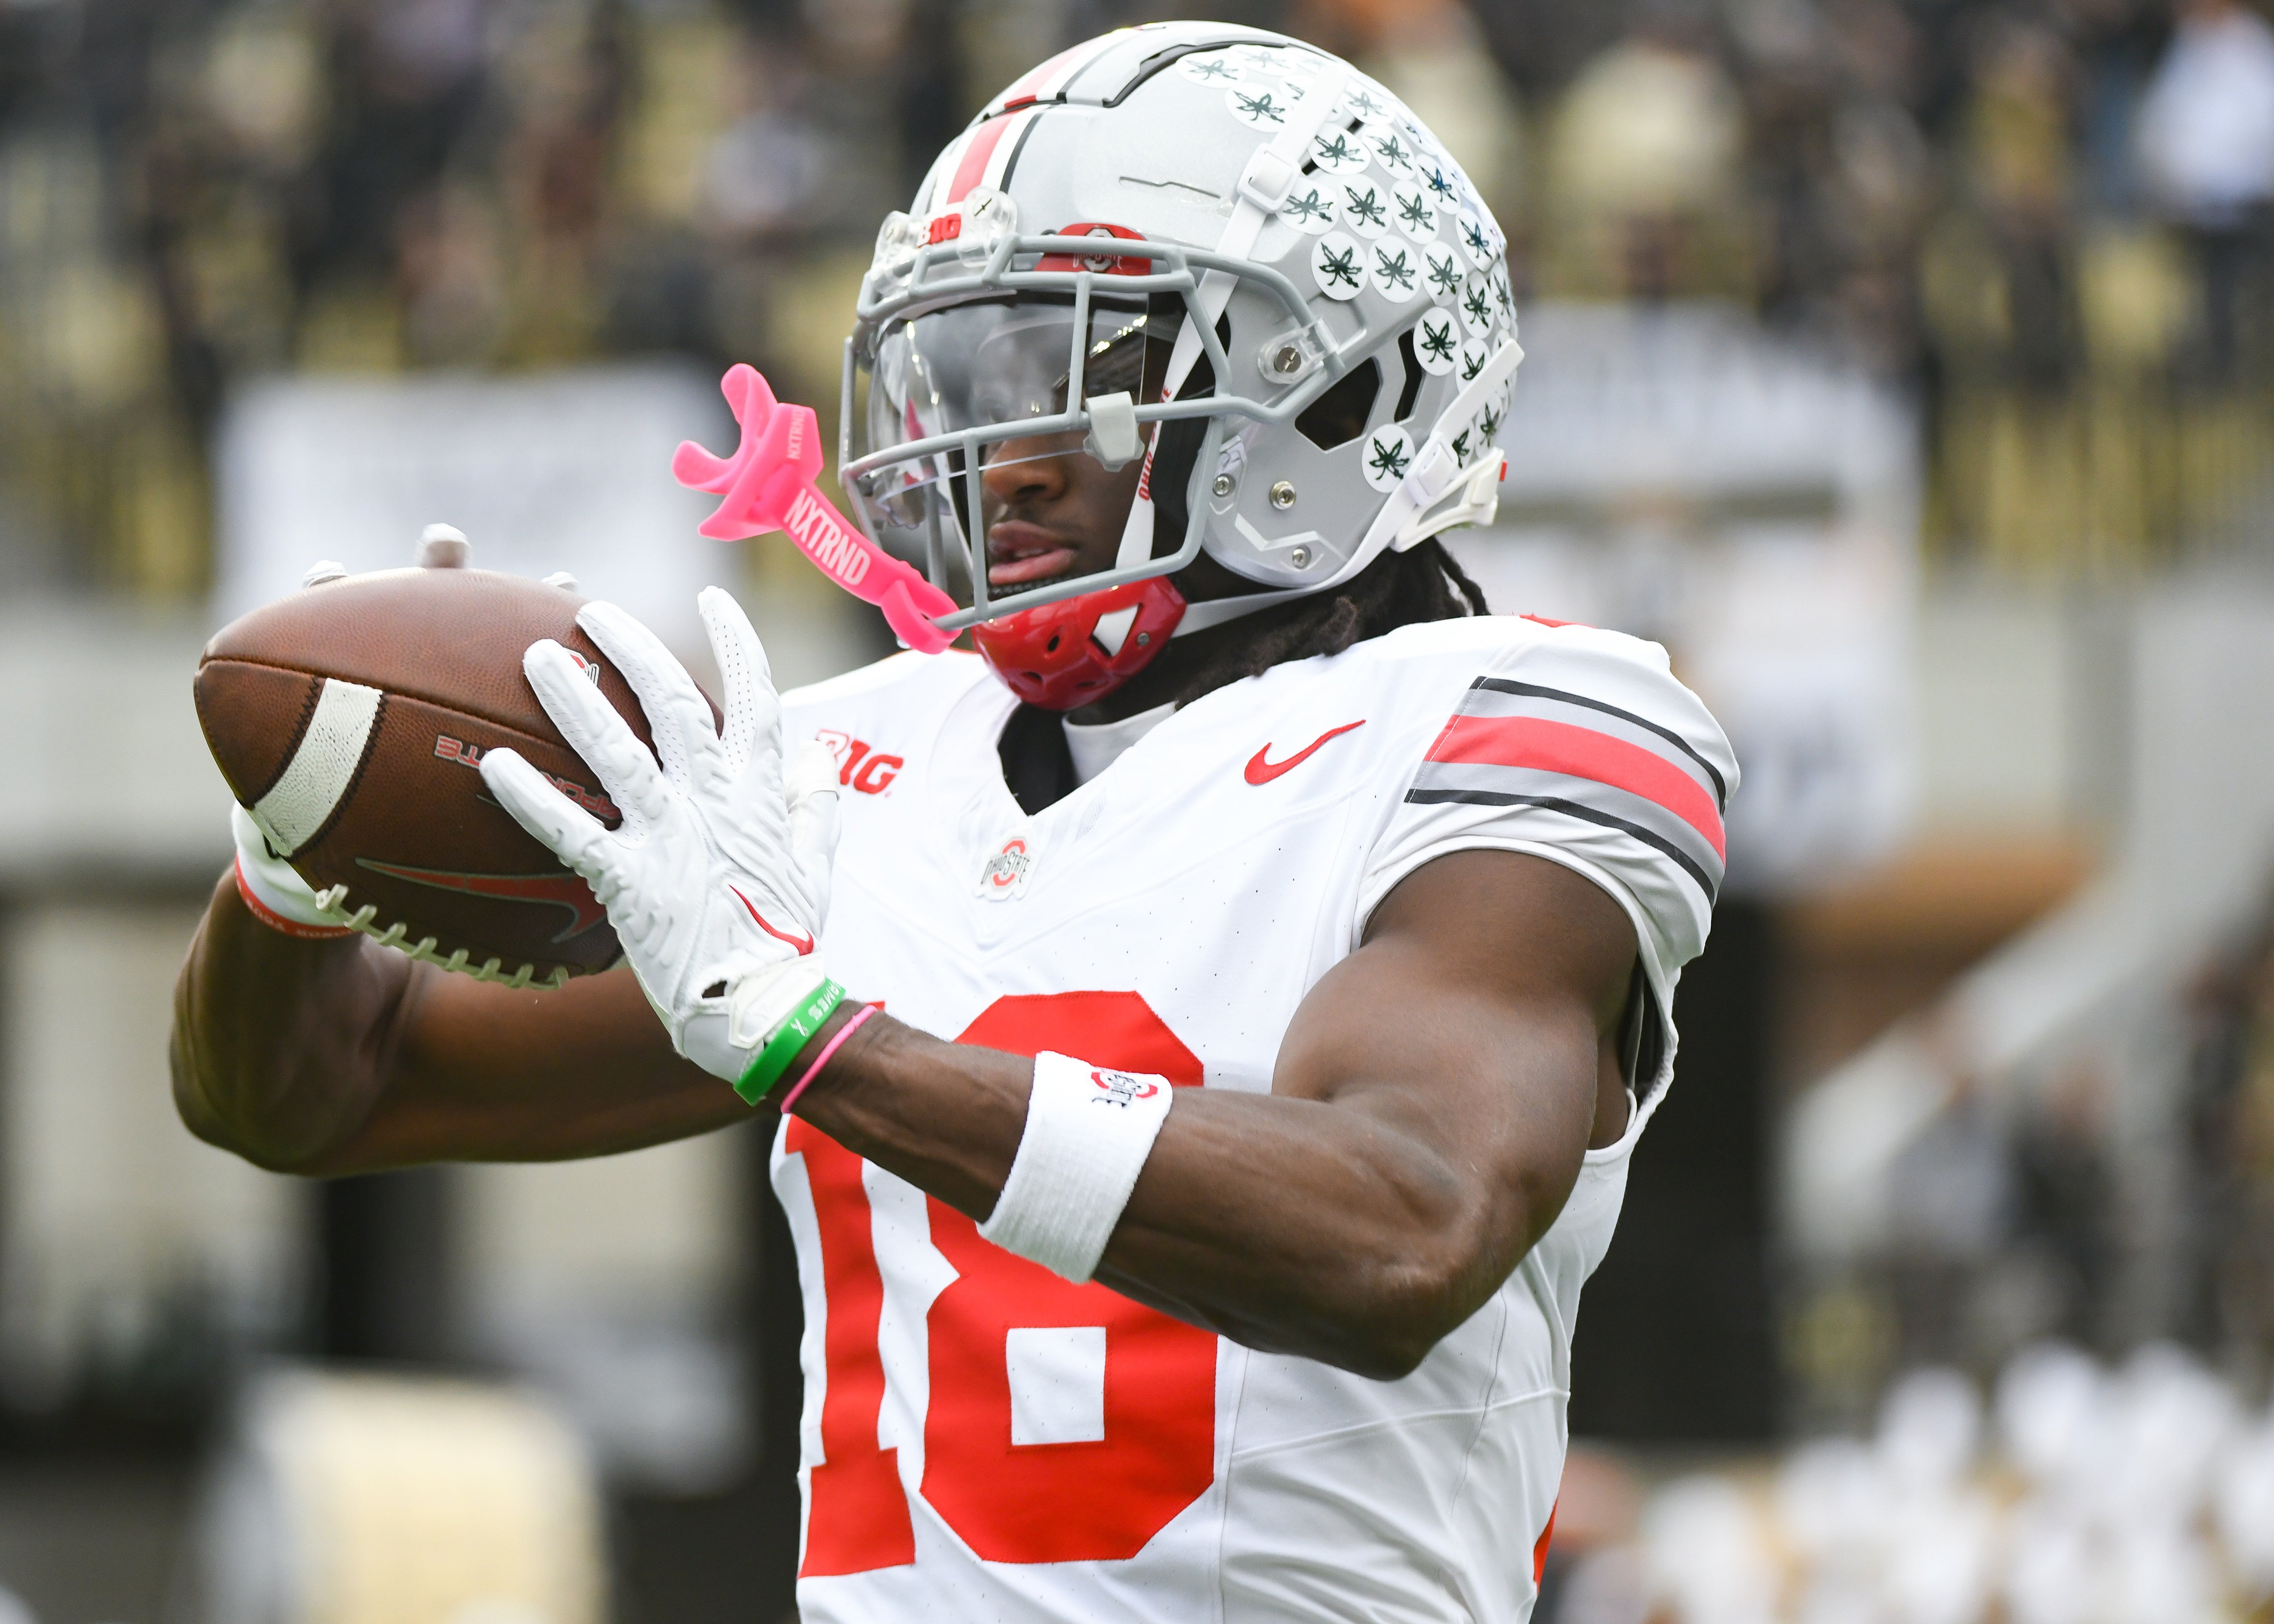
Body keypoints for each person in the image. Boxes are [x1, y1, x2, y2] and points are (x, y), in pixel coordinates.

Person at [175, 22, 1736, 1623]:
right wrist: (296, 874)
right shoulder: (849, 768)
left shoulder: (1510, 724)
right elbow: (323, 1095)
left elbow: (1400, 1231)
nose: (999, 459)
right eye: (972, 374)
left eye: (1085, 372)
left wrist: (815, 1039)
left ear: (1338, 391)